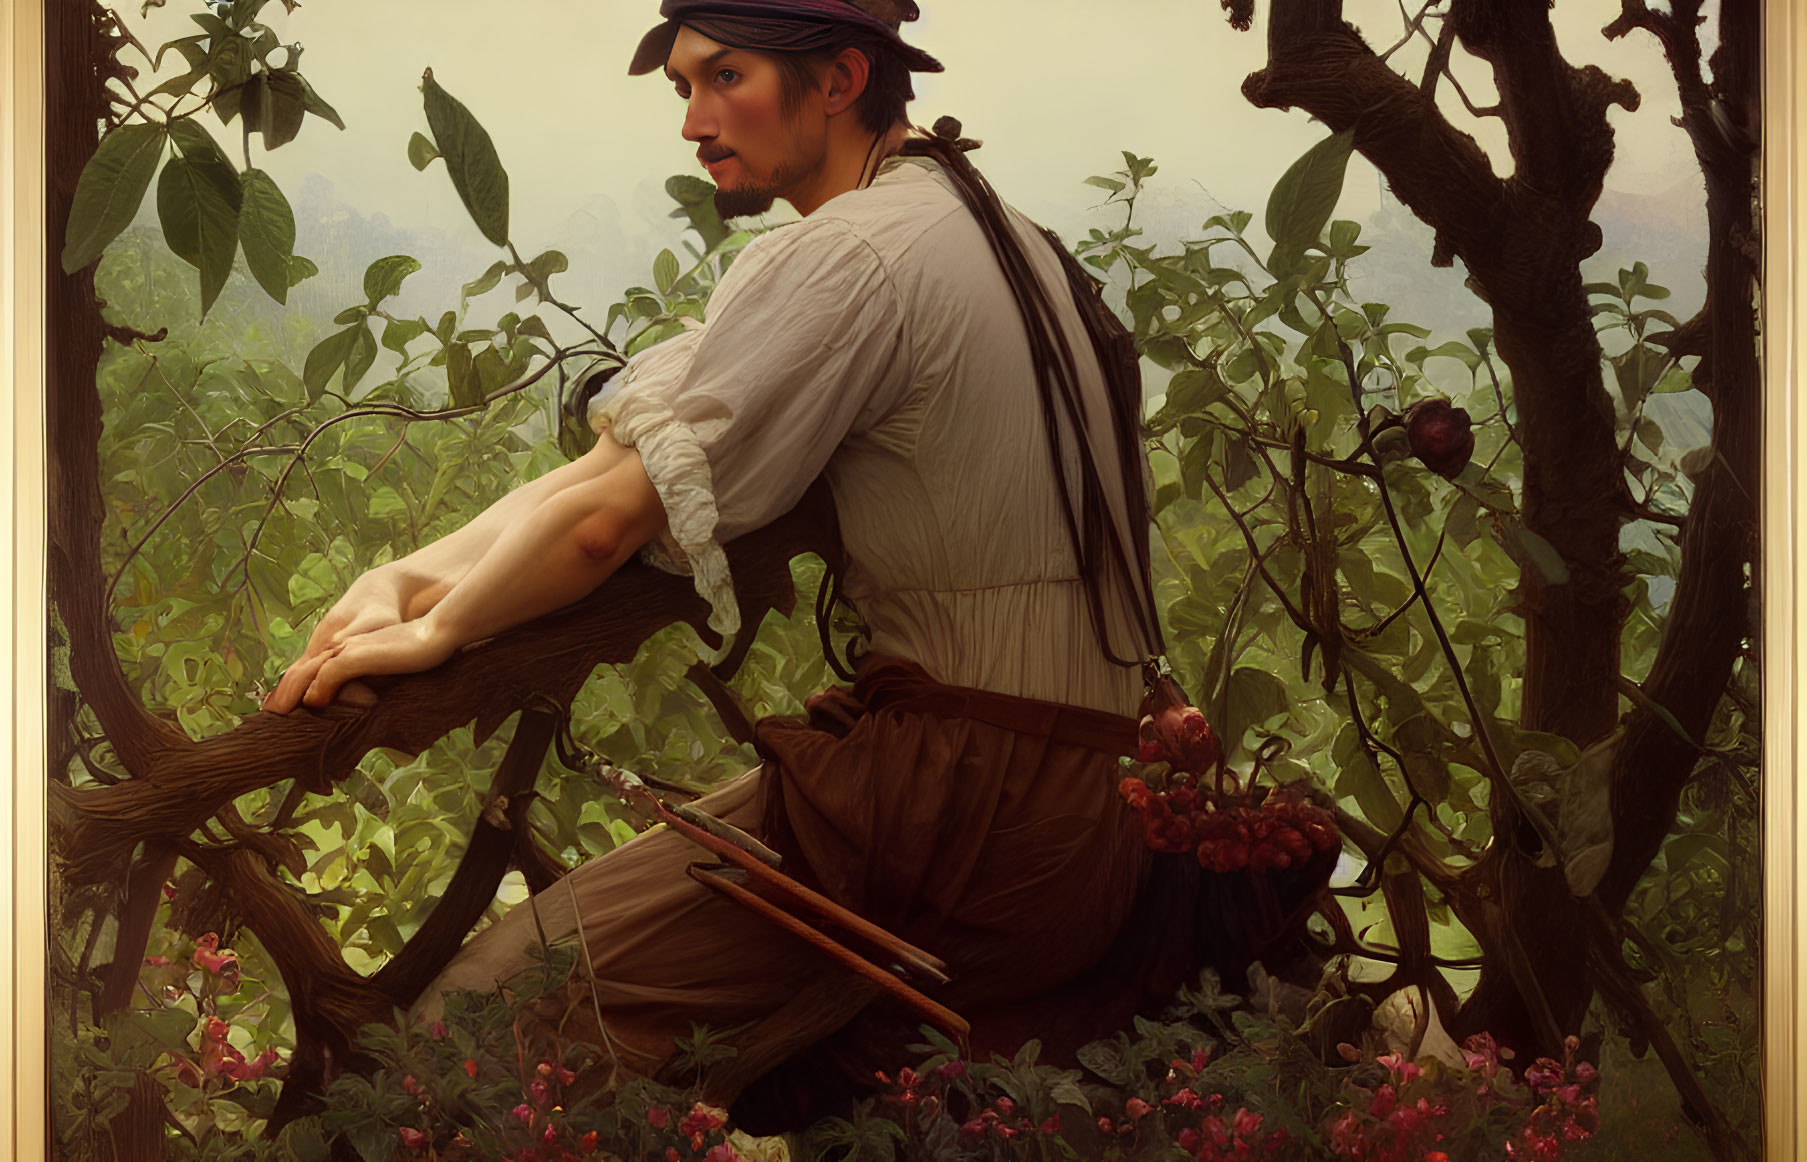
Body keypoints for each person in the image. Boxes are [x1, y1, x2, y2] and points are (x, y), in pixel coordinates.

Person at [265, 0, 1166, 1125]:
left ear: (838, 80)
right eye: (682, 86)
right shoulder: (984, 224)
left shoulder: (850, 259)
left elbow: (608, 524)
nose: (692, 121)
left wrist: (444, 633)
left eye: (724, 79)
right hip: (1097, 800)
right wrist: (406, 582)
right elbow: (622, 462)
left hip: (967, 801)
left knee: (485, 1021)